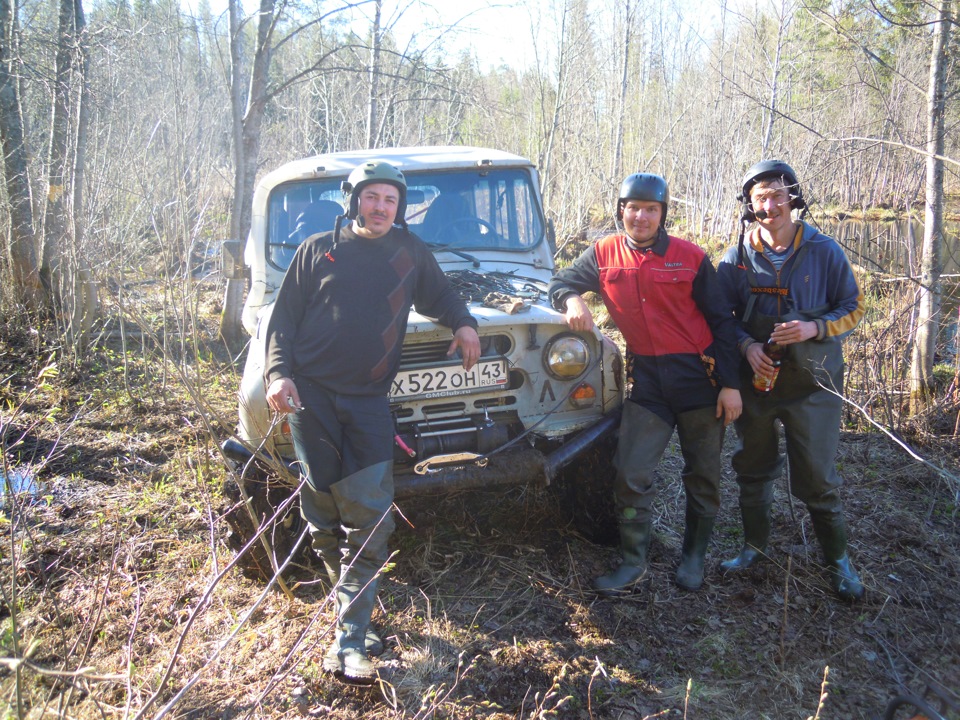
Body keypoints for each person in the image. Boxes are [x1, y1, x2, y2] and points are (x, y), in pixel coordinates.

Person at [263, 160, 481, 683]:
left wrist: (466, 324)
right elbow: (283, 318)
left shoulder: (409, 253)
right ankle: (352, 613)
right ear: (354, 199)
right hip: (310, 398)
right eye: (371, 197)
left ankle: (349, 642)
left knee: (370, 516)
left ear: (399, 207)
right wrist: (277, 374)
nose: (380, 207)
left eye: (390, 199)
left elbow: (441, 296)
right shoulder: (317, 249)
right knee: (322, 513)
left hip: (367, 402)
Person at [549, 173, 742, 595]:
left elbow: (721, 322)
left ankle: (693, 557)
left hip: (700, 378)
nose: (640, 217)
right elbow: (560, 281)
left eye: (650, 209)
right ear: (621, 211)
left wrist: (730, 384)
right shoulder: (603, 253)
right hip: (650, 381)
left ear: (662, 214)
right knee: (630, 471)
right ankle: (633, 561)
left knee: (704, 473)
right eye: (633, 208)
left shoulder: (690, 257)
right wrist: (573, 298)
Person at [715, 159, 866, 601]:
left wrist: (813, 328)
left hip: (813, 386)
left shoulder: (824, 250)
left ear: (793, 198)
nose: (770, 205)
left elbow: (854, 308)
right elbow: (721, 318)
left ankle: (838, 562)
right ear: (750, 205)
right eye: (760, 197)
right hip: (756, 384)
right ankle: (754, 548)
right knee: (753, 467)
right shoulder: (737, 256)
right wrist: (747, 347)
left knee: (818, 477)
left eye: (778, 194)